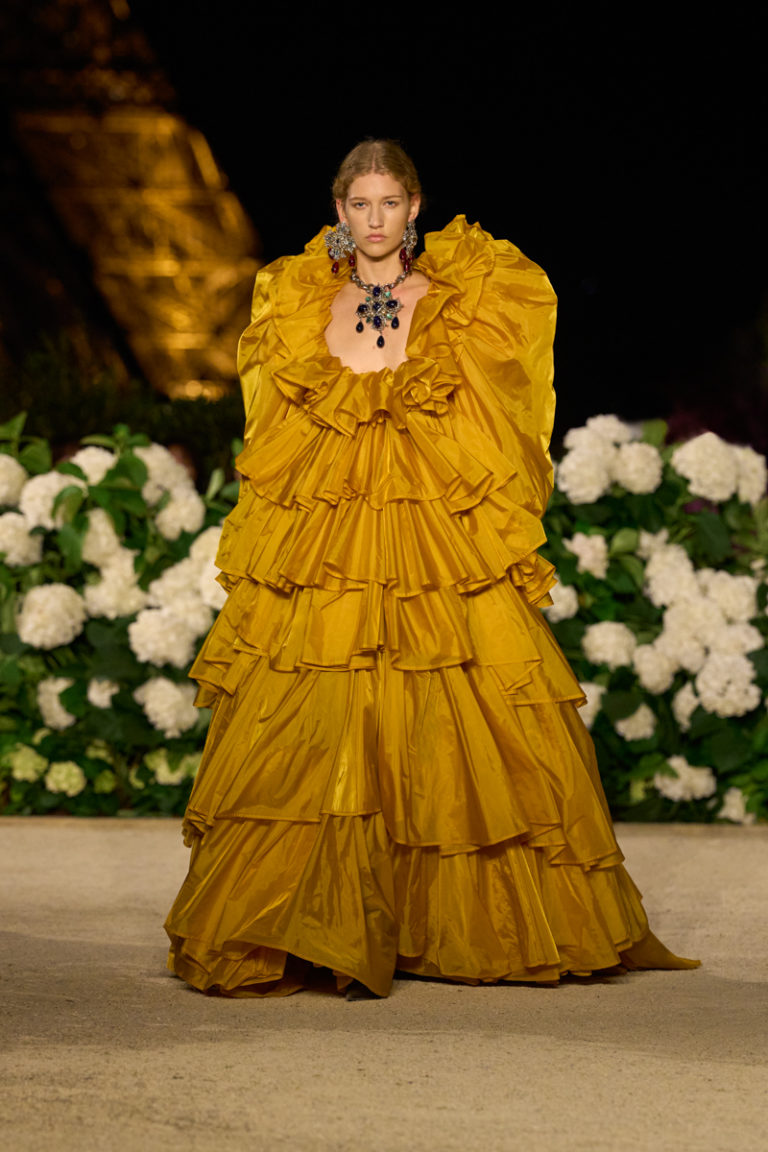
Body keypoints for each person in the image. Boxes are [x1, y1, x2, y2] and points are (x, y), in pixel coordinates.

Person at [165, 140, 698, 998]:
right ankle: (309, 922)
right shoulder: (299, 304)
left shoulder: (468, 299)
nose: (374, 220)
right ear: (339, 211)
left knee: (455, 717)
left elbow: (502, 413)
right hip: (334, 538)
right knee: (321, 717)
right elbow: (275, 438)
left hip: (432, 537)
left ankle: (444, 924)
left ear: (414, 207)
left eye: (389, 203)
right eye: (359, 205)